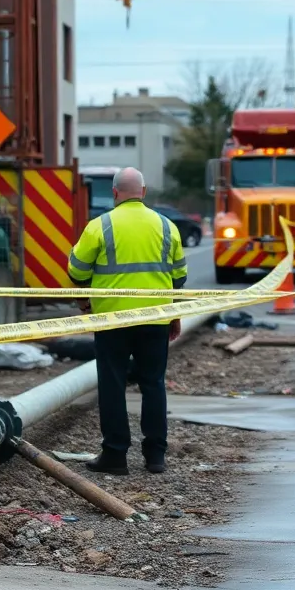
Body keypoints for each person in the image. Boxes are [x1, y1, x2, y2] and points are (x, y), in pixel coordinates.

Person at [67, 167, 187, 476]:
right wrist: (173, 314)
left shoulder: (100, 226)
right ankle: (156, 457)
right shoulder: (166, 226)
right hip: (154, 319)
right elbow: (179, 277)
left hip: (112, 321)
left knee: (112, 385)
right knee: (153, 383)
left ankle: (116, 456)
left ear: (115, 194)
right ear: (144, 193)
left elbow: (77, 271)